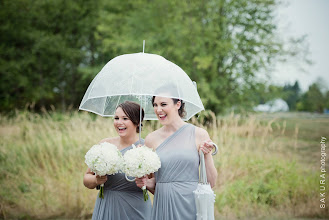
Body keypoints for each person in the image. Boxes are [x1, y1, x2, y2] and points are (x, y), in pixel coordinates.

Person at [136, 94, 218, 220]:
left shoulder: (199, 134)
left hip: (191, 205)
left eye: (163, 104)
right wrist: (144, 181)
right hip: (163, 206)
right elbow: (154, 185)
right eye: (155, 105)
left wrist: (206, 154)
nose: (158, 110)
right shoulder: (151, 139)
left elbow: (211, 182)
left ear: (178, 104)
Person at [83, 101, 151, 220]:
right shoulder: (105, 145)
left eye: (125, 118)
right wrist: (96, 179)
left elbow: (155, 184)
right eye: (116, 118)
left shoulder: (147, 148)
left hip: (136, 210)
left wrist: (145, 181)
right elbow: (86, 179)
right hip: (107, 207)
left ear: (137, 122)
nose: (119, 122)